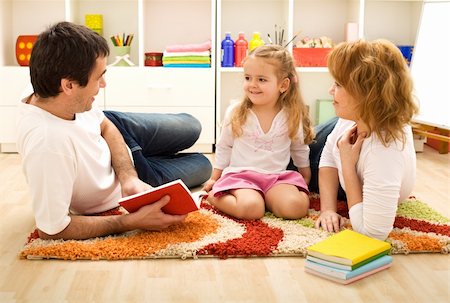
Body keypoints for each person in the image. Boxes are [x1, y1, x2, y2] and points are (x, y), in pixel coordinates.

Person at [16, 21, 212, 240]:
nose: (104, 84)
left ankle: (139, 164)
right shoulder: (48, 146)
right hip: (134, 181)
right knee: (204, 166)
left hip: (120, 136)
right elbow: (53, 229)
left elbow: (105, 125)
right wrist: (128, 221)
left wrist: (128, 176)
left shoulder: (50, 86)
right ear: (68, 86)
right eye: (99, 77)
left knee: (192, 126)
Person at [313, 39, 418, 240]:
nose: (330, 91)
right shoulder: (356, 117)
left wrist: (348, 166)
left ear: (365, 93)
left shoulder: (385, 151)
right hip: (325, 143)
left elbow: (373, 233)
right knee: (287, 148)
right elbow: (327, 157)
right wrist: (327, 209)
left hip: (349, 166)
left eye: (338, 84)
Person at [202, 45, 314, 220]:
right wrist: (214, 178)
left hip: (276, 178)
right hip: (241, 177)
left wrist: (305, 173)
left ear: (283, 85)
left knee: (296, 208)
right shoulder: (236, 111)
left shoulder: (292, 114)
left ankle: (267, 198)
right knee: (251, 209)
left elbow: (299, 147)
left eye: (261, 79)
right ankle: (214, 198)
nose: (252, 85)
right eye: (248, 78)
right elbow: (225, 146)